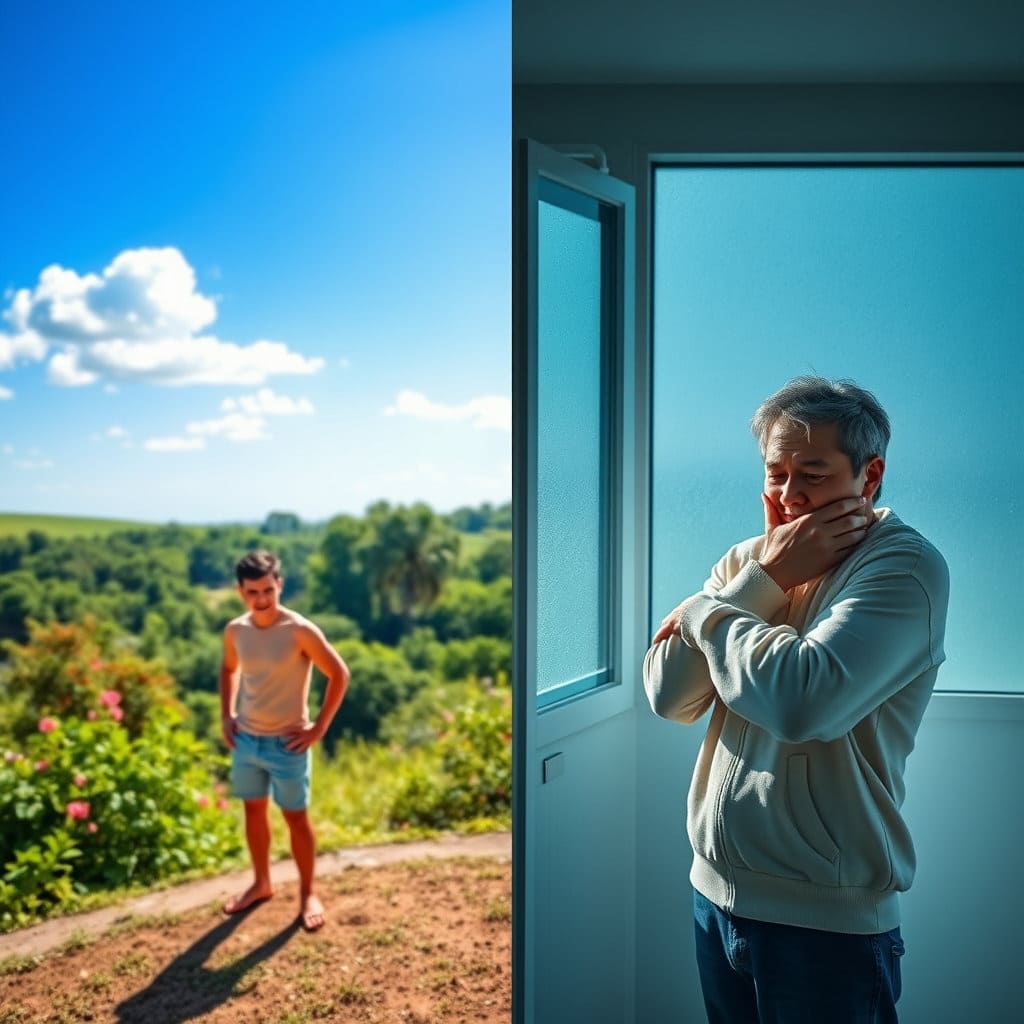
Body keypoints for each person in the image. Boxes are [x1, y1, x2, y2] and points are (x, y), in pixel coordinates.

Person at [643, 377, 949, 1024]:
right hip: (712, 900)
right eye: (775, 473)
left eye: (810, 472)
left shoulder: (906, 567)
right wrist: (765, 580)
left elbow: (804, 702)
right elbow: (669, 696)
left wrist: (705, 611)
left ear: (870, 476)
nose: (787, 494)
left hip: (827, 929)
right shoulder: (749, 562)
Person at [220, 549, 350, 931]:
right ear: (240, 591)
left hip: (287, 745)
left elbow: (339, 674)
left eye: (268, 590)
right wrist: (226, 715)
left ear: (280, 584)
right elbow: (229, 669)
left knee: (296, 818)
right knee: (253, 813)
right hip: (247, 741)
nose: (261, 600)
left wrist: (319, 727)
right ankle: (262, 884)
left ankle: (308, 891)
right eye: (252, 592)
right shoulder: (236, 631)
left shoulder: (299, 630)